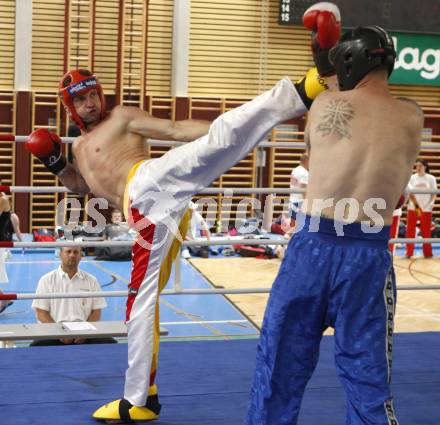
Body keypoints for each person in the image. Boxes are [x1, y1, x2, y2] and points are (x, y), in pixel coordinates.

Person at [24, 3, 339, 421]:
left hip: (151, 179)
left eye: (92, 94)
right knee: (140, 301)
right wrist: (54, 162)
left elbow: (174, 131)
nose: (89, 104)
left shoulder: (122, 117)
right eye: (80, 100)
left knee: (222, 136)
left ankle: (311, 84)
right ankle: (142, 396)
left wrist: (215, 132)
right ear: (69, 108)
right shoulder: (79, 149)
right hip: (143, 213)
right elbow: (81, 188)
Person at [245, 21, 424, 425]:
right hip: (368, 254)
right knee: (368, 377)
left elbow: (315, 154)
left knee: (278, 367)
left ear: (345, 63)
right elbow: (395, 198)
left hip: (312, 245)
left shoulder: (325, 106)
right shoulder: (413, 117)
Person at [30, 246, 114, 346]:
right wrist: (58, 333)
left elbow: (96, 311)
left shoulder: (92, 280)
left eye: (76, 252)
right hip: (54, 331)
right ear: (60, 254)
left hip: (84, 331)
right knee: (36, 347)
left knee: (111, 344)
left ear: (81, 256)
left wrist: (85, 333)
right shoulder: (46, 280)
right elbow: (41, 312)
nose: (72, 255)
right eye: (68, 251)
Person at [405, 159, 437, 258]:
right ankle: (409, 253)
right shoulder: (412, 178)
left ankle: (428, 253)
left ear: (425, 167)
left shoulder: (431, 178)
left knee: (426, 232)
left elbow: (434, 193)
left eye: (420, 166)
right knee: (410, 231)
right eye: (416, 166)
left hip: (426, 209)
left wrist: (431, 203)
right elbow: (410, 193)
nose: (417, 168)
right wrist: (418, 208)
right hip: (413, 209)